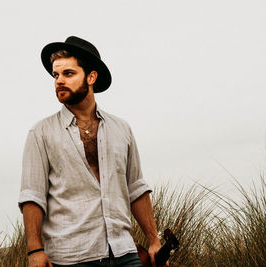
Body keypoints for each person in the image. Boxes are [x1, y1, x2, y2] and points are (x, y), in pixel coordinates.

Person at [18, 36, 166, 267]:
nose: (59, 81)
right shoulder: (41, 132)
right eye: (56, 75)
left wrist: (154, 241)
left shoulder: (121, 129)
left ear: (91, 76)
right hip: (71, 257)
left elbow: (136, 188)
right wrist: (34, 250)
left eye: (68, 74)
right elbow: (33, 196)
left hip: (124, 253)